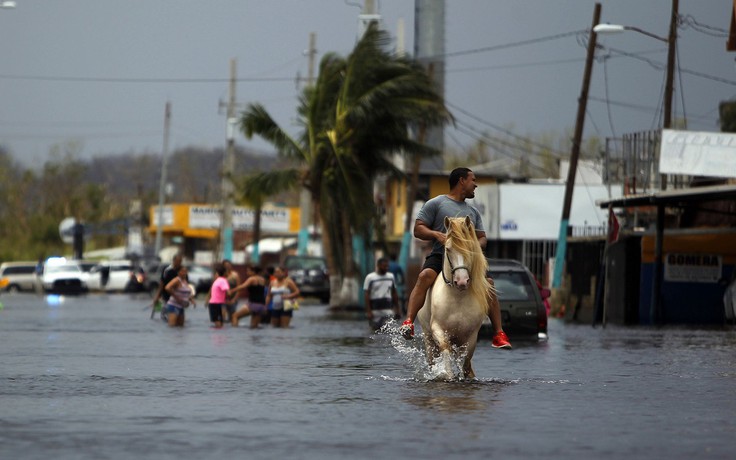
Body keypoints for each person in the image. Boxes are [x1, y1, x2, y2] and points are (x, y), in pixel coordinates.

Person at [398, 167, 512, 349]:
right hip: (441, 253)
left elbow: (482, 237)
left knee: (489, 282)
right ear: (461, 181)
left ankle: (498, 333)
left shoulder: (473, 212)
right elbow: (418, 229)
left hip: (468, 258)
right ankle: (409, 322)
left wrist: (473, 245)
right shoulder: (435, 203)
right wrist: (437, 235)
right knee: (424, 276)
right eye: (472, 180)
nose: (475, 185)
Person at [363, 257, 400, 331]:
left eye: (387, 266)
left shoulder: (390, 276)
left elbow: (394, 292)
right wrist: (369, 311)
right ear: (379, 266)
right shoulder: (370, 278)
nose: (386, 268)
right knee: (374, 330)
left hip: (388, 308)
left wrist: (398, 309)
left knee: (388, 331)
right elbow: (367, 294)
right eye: (384, 266)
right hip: (375, 309)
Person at [151, 254, 183, 320]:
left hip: (179, 297)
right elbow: (162, 284)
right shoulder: (167, 270)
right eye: (178, 261)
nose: (179, 263)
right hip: (167, 296)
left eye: (180, 261)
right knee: (167, 316)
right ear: (174, 261)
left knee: (178, 316)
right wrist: (157, 296)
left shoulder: (182, 270)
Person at [206, 263, 229, 328]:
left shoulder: (218, 281)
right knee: (220, 323)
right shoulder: (223, 280)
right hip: (218, 304)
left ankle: (218, 336)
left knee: (217, 323)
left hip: (214, 304)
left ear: (217, 274)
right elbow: (228, 293)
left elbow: (227, 292)